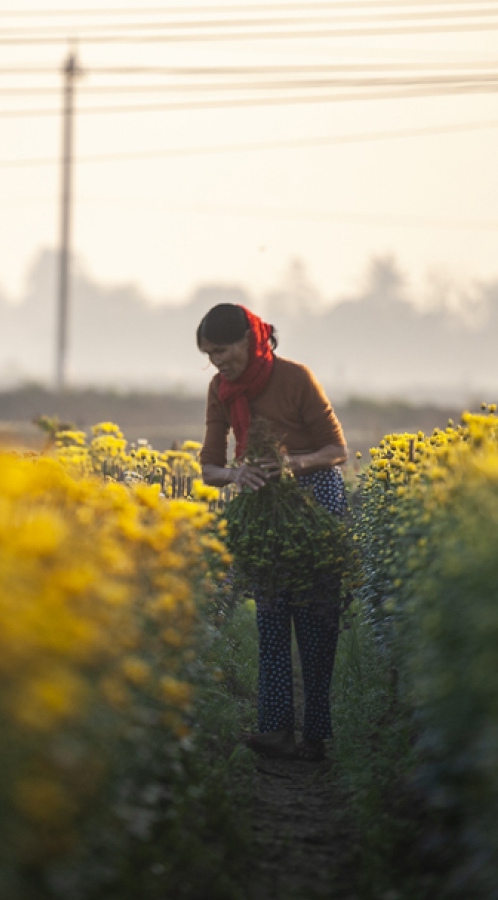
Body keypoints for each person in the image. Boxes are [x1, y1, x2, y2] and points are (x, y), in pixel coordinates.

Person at [196, 302, 348, 763]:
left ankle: (316, 736)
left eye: (222, 350)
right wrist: (236, 476)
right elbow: (208, 466)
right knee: (271, 616)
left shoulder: (296, 378)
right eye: (209, 355)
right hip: (261, 501)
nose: (218, 361)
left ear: (249, 339)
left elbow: (337, 449)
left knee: (317, 618)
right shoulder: (221, 390)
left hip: (315, 500)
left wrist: (292, 465)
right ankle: (276, 730)